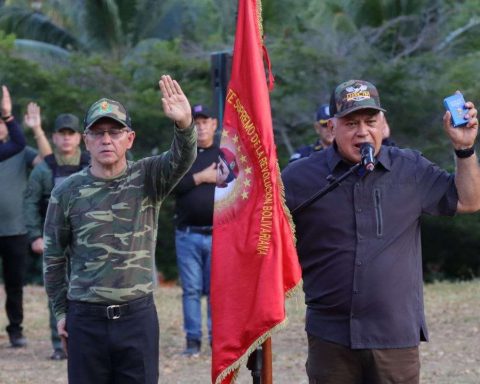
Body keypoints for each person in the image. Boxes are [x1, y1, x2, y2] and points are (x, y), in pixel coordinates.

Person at [282, 79, 480, 384]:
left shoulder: (410, 168)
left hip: (394, 337)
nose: (363, 131)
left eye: (370, 121)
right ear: (331, 127)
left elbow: (469, 200)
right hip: (330, 337)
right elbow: (263, 231)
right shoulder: (299, 177)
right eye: (351, 123)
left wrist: (464, 148)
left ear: (383, 125)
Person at [43, 75, 197, 384]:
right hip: (85, 319)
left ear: (130, 138)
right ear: (86, 140)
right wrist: (61, 312)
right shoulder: (67, 191)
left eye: (114, 132)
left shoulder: (148, 176)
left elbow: (182, 160)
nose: (106, 140)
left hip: (136, 318)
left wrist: (184, 126)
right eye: (98, 133)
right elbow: (54, 256)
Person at [24, 112, 89, 360]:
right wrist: (34, 236)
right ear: (53, 137)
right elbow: (29, 203)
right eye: (61, 134)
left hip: (86, 240)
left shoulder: (90, 162)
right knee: (57, 291)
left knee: (87, 292)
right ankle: (58, 343)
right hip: (54, 241)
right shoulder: (43, 169)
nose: (66, 138)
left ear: (79, 138)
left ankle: (84, 342)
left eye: (70, 133)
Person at [0, 86, 52, 348]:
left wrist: (37, 130)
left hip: (15, 230)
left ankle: (16, 330)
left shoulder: (19, 150)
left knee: (14, 285)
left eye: (1, 121)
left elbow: (48, 161)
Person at [172, 104, 219, 357]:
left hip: (217, 234)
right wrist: (201, 177)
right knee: (190, 290)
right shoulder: (182, 153)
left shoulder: (224, 153)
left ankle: (215, 339)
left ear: (213, 124)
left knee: (215, 291)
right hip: (187, 233)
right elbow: (172, 186)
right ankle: (193, 341)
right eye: (196, 122)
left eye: (205, 121)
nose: (200, 126)